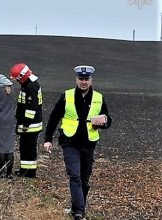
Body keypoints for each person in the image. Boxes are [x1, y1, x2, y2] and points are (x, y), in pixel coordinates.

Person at [43, 65, 112, 220]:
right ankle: (80, 213)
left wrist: (103, 123)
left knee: (84, 179)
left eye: (86, 79)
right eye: (81, 79)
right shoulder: (66, 96)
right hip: (70, 142)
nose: (83, 82)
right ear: (76, 79)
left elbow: (108, 118)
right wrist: (48, 139)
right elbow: (54, 118)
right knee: (74, 175)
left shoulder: (99, 98)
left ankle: (76, 208)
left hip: (89, 144)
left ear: (91, 80)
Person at [9, 63, 43, 178]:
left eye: (17, 79)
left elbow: (31, 109)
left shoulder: (31, 87)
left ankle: (29, 173)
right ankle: (25, 170)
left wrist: (25, 124)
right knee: (25, 148)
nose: (17, 81)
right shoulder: (29, 84)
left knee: (28, 148)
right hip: (29, 125)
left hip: (30, 126)